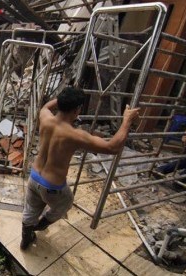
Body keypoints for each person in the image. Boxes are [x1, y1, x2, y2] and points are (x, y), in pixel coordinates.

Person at [21, 87, 140, 250]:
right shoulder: (75, 135)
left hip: (34, 177)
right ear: (77, 110)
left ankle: (25, 237)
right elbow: (112, 147)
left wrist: (63, 98)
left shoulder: (45, 117)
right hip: (53, 187)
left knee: (31, 209)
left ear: (61, 104)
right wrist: (127, 120)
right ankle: (41, 225)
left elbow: (47, 106)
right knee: (65, 203)